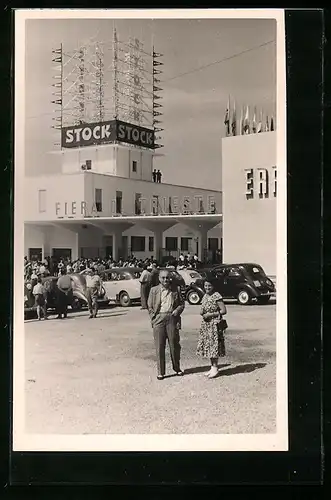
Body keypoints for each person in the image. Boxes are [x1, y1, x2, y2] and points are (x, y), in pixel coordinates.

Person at [147, 269, 185, 380]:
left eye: (167, 277)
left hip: (172, 318)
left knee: (174, 345)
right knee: (159, 346)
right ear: (159, 278)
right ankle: (161, 372)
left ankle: (177, 368)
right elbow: (149, 306)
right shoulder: (154, 290)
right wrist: (154, 318)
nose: (165, 280)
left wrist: (177, 311)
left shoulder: (175, 289)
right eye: (163, 278)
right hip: (159, 318)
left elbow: (182, 304)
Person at [196, 278, 227, 378]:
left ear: (213, 286)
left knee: (214, 346)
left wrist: (210, 314)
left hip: (214, 325)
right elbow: (203, 309)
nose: (207, 287)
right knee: (209, 346)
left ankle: (215, 368)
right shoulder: (205, 296)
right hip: (206, 325)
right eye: (205, 286)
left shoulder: (217, 296)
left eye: (209, 286)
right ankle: (212, 367)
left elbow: (223, 310)